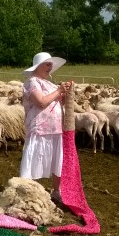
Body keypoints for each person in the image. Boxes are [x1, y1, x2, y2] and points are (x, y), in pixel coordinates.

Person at [19, 51, 72, 203]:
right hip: (39, 127)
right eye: (47, 64)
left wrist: (64, 94)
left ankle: (57, 191)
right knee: (34, 158)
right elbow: (40, 102)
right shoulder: (32, 82)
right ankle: (27, 192)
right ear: (38, 66)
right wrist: (59, 91)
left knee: (57, 159)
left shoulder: (49, 83)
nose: (50, 67)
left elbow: (56, 101)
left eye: (51, 65)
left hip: (55, 127)